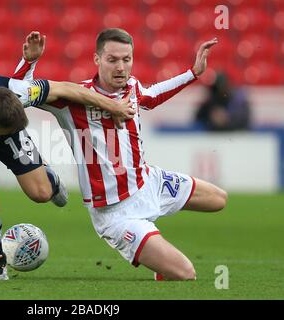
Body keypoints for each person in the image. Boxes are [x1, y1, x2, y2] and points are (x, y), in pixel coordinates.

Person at [0, 32, 135, 280]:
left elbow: (66, 89)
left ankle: (50, 179)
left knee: (41, 193)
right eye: (12, 131)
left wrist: (113, 106)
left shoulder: (14, 92)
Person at [28, 28, 228, 280]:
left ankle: (156, 251)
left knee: (219, 200)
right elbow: (19, 92)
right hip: (116, 213)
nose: (121, 67)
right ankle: (158, 258)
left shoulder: (132, 87)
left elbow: (152, 96)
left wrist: (193, 73)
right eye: (112, 60)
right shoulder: (72, 98)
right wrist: (29, 62)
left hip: (149, 183)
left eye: (127, 59)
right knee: (186, 274)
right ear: (97, 59)